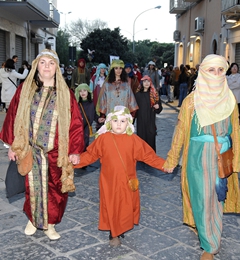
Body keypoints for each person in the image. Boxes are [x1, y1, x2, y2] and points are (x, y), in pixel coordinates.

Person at [0, 49, 85, 240]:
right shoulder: (25, 89)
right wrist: (13, 145)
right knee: (33, 187)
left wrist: (74, 150)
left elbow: (76, 123)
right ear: (36, 65)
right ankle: (33, 219)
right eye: (43, 62)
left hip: (56, 152)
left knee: (55, 190)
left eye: (51, 63)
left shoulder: (66, 94)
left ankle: (51, 224)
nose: (47, 66)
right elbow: (14, 116)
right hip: (31, 150)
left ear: (57, 67)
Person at [163, 54, 240, 260]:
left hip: (221, 157)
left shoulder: (230, 100)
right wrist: (172, 159)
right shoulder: (191, 102)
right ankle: (208, 237)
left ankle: (210, 245)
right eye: (211, 70)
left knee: (216, 199)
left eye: (220, 70)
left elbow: (236, 132)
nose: (216, 75)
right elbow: (180, 132)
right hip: (197, 158)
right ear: (203, 72)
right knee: (201, 199)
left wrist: (237, 161)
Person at [74, 106, 166, 247]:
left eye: (122, 121)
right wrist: (75, 161)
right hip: (109, 182)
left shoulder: (134, 140)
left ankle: (121, 226)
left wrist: (165, 165)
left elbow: (149, 156)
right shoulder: (103, 139)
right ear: (109, 122)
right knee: (112, 205)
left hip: (127, 181)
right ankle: (114, 232)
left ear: (128, 123)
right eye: (115, 120)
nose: (118, 124)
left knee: (125, 205)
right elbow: (90, 155)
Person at [135, 75, 162, 151]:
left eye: (148, 81)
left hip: (151, 122)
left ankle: (151, 159)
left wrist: (158, 107)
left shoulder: (154, 95)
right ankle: (141, 159)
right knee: (141, 141)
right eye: (144, 81)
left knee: (151, 140)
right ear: (142, 83)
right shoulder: (137, 95)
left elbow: (159, 109)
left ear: (150, 83)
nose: (146, 83)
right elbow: (134, 110)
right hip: (141, 122)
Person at [75, 83, 101, 151]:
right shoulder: (76, 104)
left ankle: (83, 159)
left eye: (84, 90)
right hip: (78, 127)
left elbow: (94, 114)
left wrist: (98, 119)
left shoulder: (91, 103)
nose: (82, 93)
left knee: (85, 143)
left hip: (87, 127)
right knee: (78, 144)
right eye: (80, 91)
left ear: (88, 91)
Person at [89, 63, 108, 130]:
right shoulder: (94, 78)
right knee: (98, 112)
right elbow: (90, 89)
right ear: (99, 69)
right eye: (101, 68)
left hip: (106, 98)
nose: (103, 70)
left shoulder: (107, 78)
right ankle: (98, 126)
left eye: (104, 68)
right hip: (96, 98)